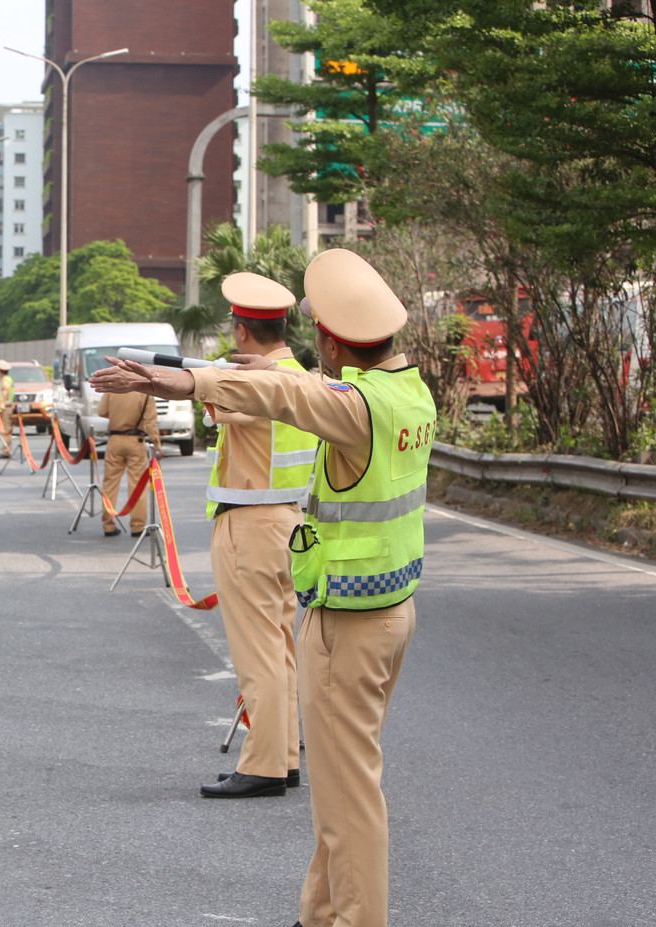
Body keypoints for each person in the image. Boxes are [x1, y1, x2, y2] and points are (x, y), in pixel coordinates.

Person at [90, 249, 435, 927]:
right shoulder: (410, 392)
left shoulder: (354, 406)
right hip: (393, 611)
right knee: (340, 789)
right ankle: (320, 912)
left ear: (334, 342)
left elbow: (287, 393)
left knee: (352, 797)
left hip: (349, 625)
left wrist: (184, 380)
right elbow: (295, 385)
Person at [196, 272, 319, 799]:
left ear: (242, 331)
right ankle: (284, 754)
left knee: (258, 652)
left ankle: (265, 764)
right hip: (292, 524)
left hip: (250, 522)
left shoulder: (256, 383)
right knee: (283, 647)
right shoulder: (305, 378)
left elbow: (212, 405)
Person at [96, 388, 161, 536]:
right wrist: (157, 445)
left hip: (114, 439)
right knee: (137, 484)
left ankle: (108, 525)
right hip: (135, 440)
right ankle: (137, 526)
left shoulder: (112, 389)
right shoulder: (145, 392)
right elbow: (150, 423)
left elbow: (101, 411)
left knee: (110, 483)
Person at [0, 359, 15, 457]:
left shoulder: (5, 381)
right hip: (7, 407)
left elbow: (3, 395)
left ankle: (6, 451)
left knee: (5, 430)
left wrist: (0, 408)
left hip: (5, 408)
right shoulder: (8, 380)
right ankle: (6, 450)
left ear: (0, 370)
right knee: (6, 430)